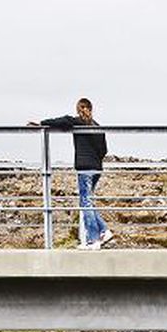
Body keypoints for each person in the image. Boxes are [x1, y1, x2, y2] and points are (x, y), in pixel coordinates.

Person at [30, 98, 112, 249]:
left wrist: (41, 123)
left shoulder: (77, 122)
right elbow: (104, 150)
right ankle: (104, 231)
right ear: (91, 109)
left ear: (78, 109)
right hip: (97, 168)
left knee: (85, 202)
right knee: (87, 201)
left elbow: (61, 121)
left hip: (85, 168)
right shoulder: (97, 127)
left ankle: (94, 240)